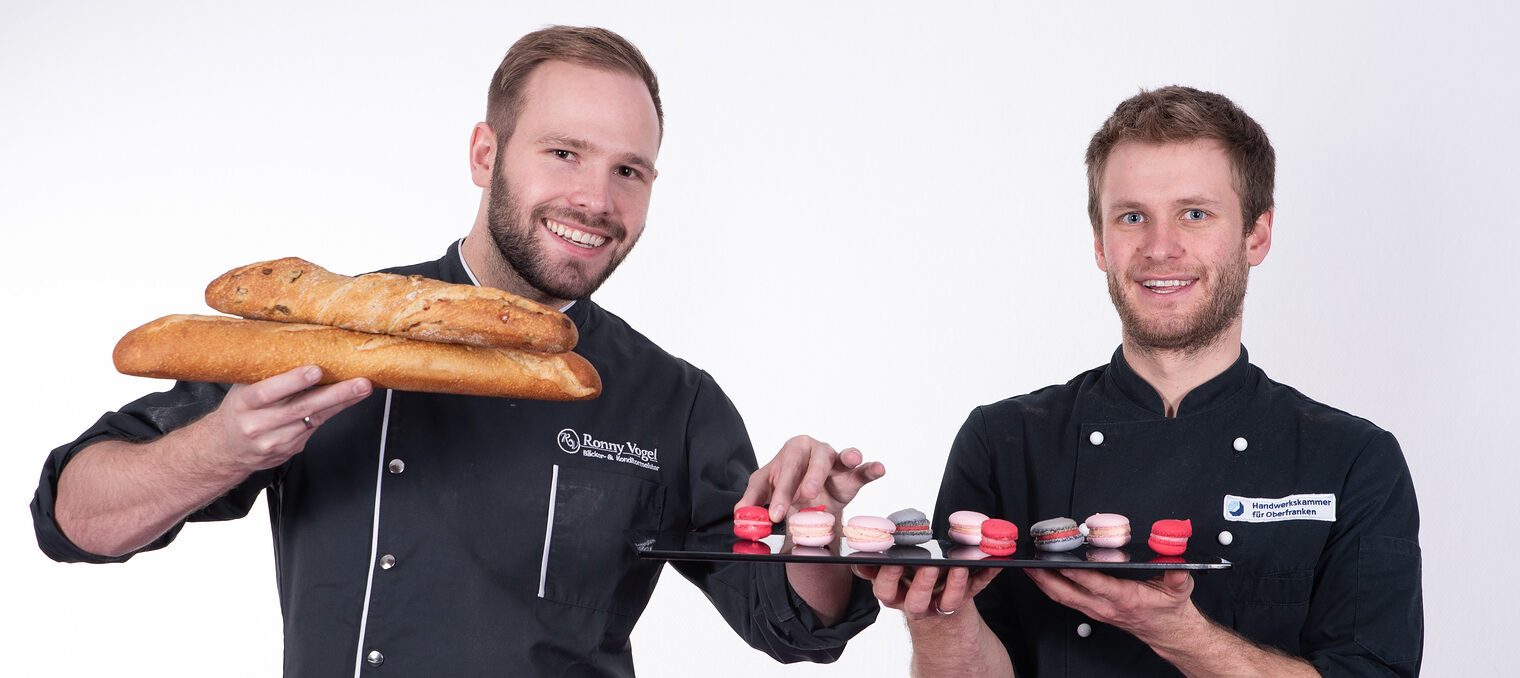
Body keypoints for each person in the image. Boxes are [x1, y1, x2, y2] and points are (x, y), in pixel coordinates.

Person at [31, 26, 881, 677]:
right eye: (563, 153)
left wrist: (816, 526)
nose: (596, 198)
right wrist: (220, 446)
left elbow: (789, 626)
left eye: (631, 171)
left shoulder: (675, 401)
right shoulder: (326, 338)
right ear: (486, 155)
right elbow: (77, 520)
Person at [855, 86, 1422, 676]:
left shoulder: (1355, 460)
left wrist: (1179, 635)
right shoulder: (1003, 442)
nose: (1160, 248)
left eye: (1195, 214)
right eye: (1132, 217)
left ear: (1257, 235)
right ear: (1101, 243)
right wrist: (936, 620)